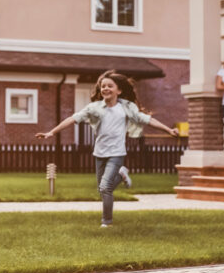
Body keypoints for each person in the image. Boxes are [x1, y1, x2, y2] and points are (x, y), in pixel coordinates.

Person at [35, 71, 178, 227]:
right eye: (103, 86)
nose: (105, 88)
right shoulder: (95, 107)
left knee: (105, 187)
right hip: (99, 152)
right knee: (102, 189)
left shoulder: (126, 107)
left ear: (119, 90)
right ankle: (122, 175)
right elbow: (72, 119)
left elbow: (148, 120)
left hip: (116, 153)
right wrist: (51, 132)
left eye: (110, 86)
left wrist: (168, 130)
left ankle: (106, 222)